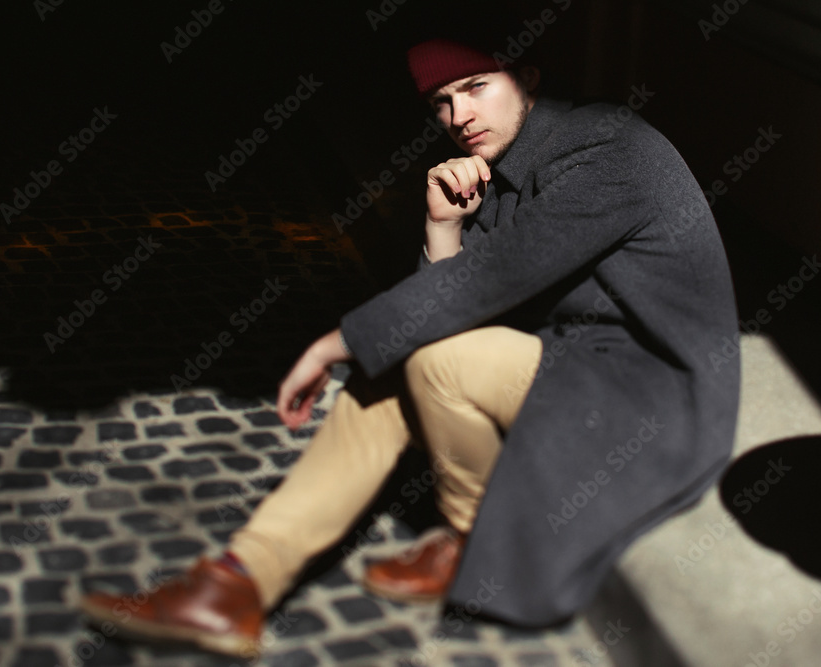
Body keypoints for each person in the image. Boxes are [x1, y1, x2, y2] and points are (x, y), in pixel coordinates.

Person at [78, 35, 741, 659]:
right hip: (570, 367)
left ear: (528, 78)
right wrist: (442, 225)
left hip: (653, 393)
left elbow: (490, 281)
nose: (459, 114)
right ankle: (236, 580)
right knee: (395, 370)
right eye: (442, 103)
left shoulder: (609, 147)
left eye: (476, 86)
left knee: (429, 360)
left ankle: (466, 534)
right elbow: (449, 306)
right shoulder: (494, 175)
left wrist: (335, 342)